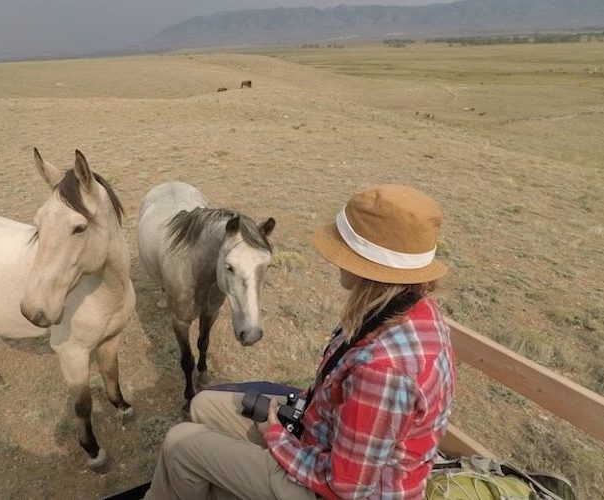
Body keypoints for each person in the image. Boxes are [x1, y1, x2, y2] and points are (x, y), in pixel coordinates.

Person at [143, 184, 455, 500]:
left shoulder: (385, 370)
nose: (336, 259)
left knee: (179, 444)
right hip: (321, 437)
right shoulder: (401, 308)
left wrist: (277, 435)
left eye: (343, 249)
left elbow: (346, 485)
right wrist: (293, 411)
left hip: (327, 487)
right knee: (201, 405)